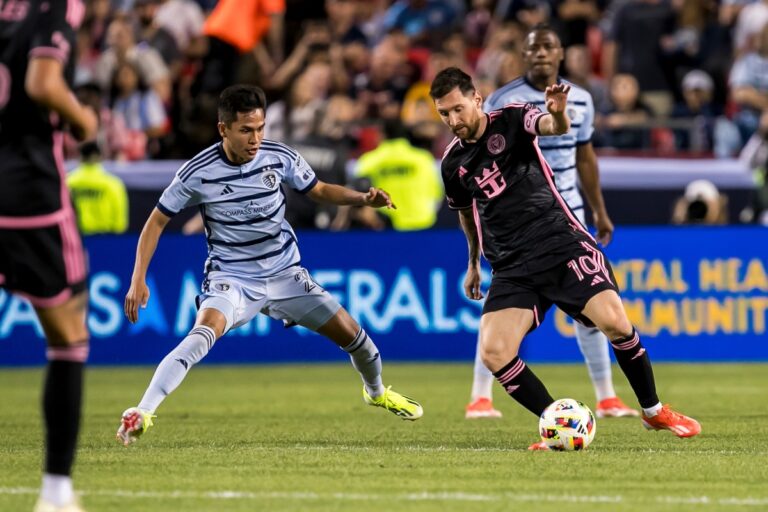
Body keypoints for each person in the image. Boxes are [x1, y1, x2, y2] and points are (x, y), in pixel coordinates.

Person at [116, 85, 423, 446]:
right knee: (199, 337)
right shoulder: (197, 173)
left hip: (285, 274)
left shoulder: (279, 157)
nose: (256, 138)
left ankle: (375, 393)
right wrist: (138, 279)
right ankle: (143, 412)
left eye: (261, 128)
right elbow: (155, 223)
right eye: (246, 130)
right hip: (232, 278)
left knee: (360, 342)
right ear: (223, 129)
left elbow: (319, 190)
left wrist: (361, 199)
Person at [430, 67, 700, 450]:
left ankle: (653, 411)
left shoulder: (510, 119)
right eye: (444, 114)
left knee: (615, 323)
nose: (453, 120)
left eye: (458, 109)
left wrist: (557, 112)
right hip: (511, 265)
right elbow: (464, 212)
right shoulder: (452, 163)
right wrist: (473, 263)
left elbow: (552, 126)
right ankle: (554, 422)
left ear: (476, 98)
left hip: (559, 243)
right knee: (494, 352)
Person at [465, 26, 637, 422]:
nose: (541, 53)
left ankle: (607, 397)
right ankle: (480, 396)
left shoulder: (582, 99)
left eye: (548, 46)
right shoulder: (503, 100)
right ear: (524, 56)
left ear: (561, 54)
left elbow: (585, 157)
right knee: (502, 307)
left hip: (569, 213)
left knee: (592, 305)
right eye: (533, 48)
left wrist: (600, 210)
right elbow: (480, 161)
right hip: (518, 220)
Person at [0, 1, 99, 511]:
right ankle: (56, 494)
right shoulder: (56, 6)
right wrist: (83, 119)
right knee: (68, 336)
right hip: (25, 193)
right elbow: (41, 82)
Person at [67, 141, 130, 235]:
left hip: (75, 237)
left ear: (80, 157)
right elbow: (120, 223)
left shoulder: (68, 182)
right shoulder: (113, 184)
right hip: (105, 239)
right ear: (99, 157)